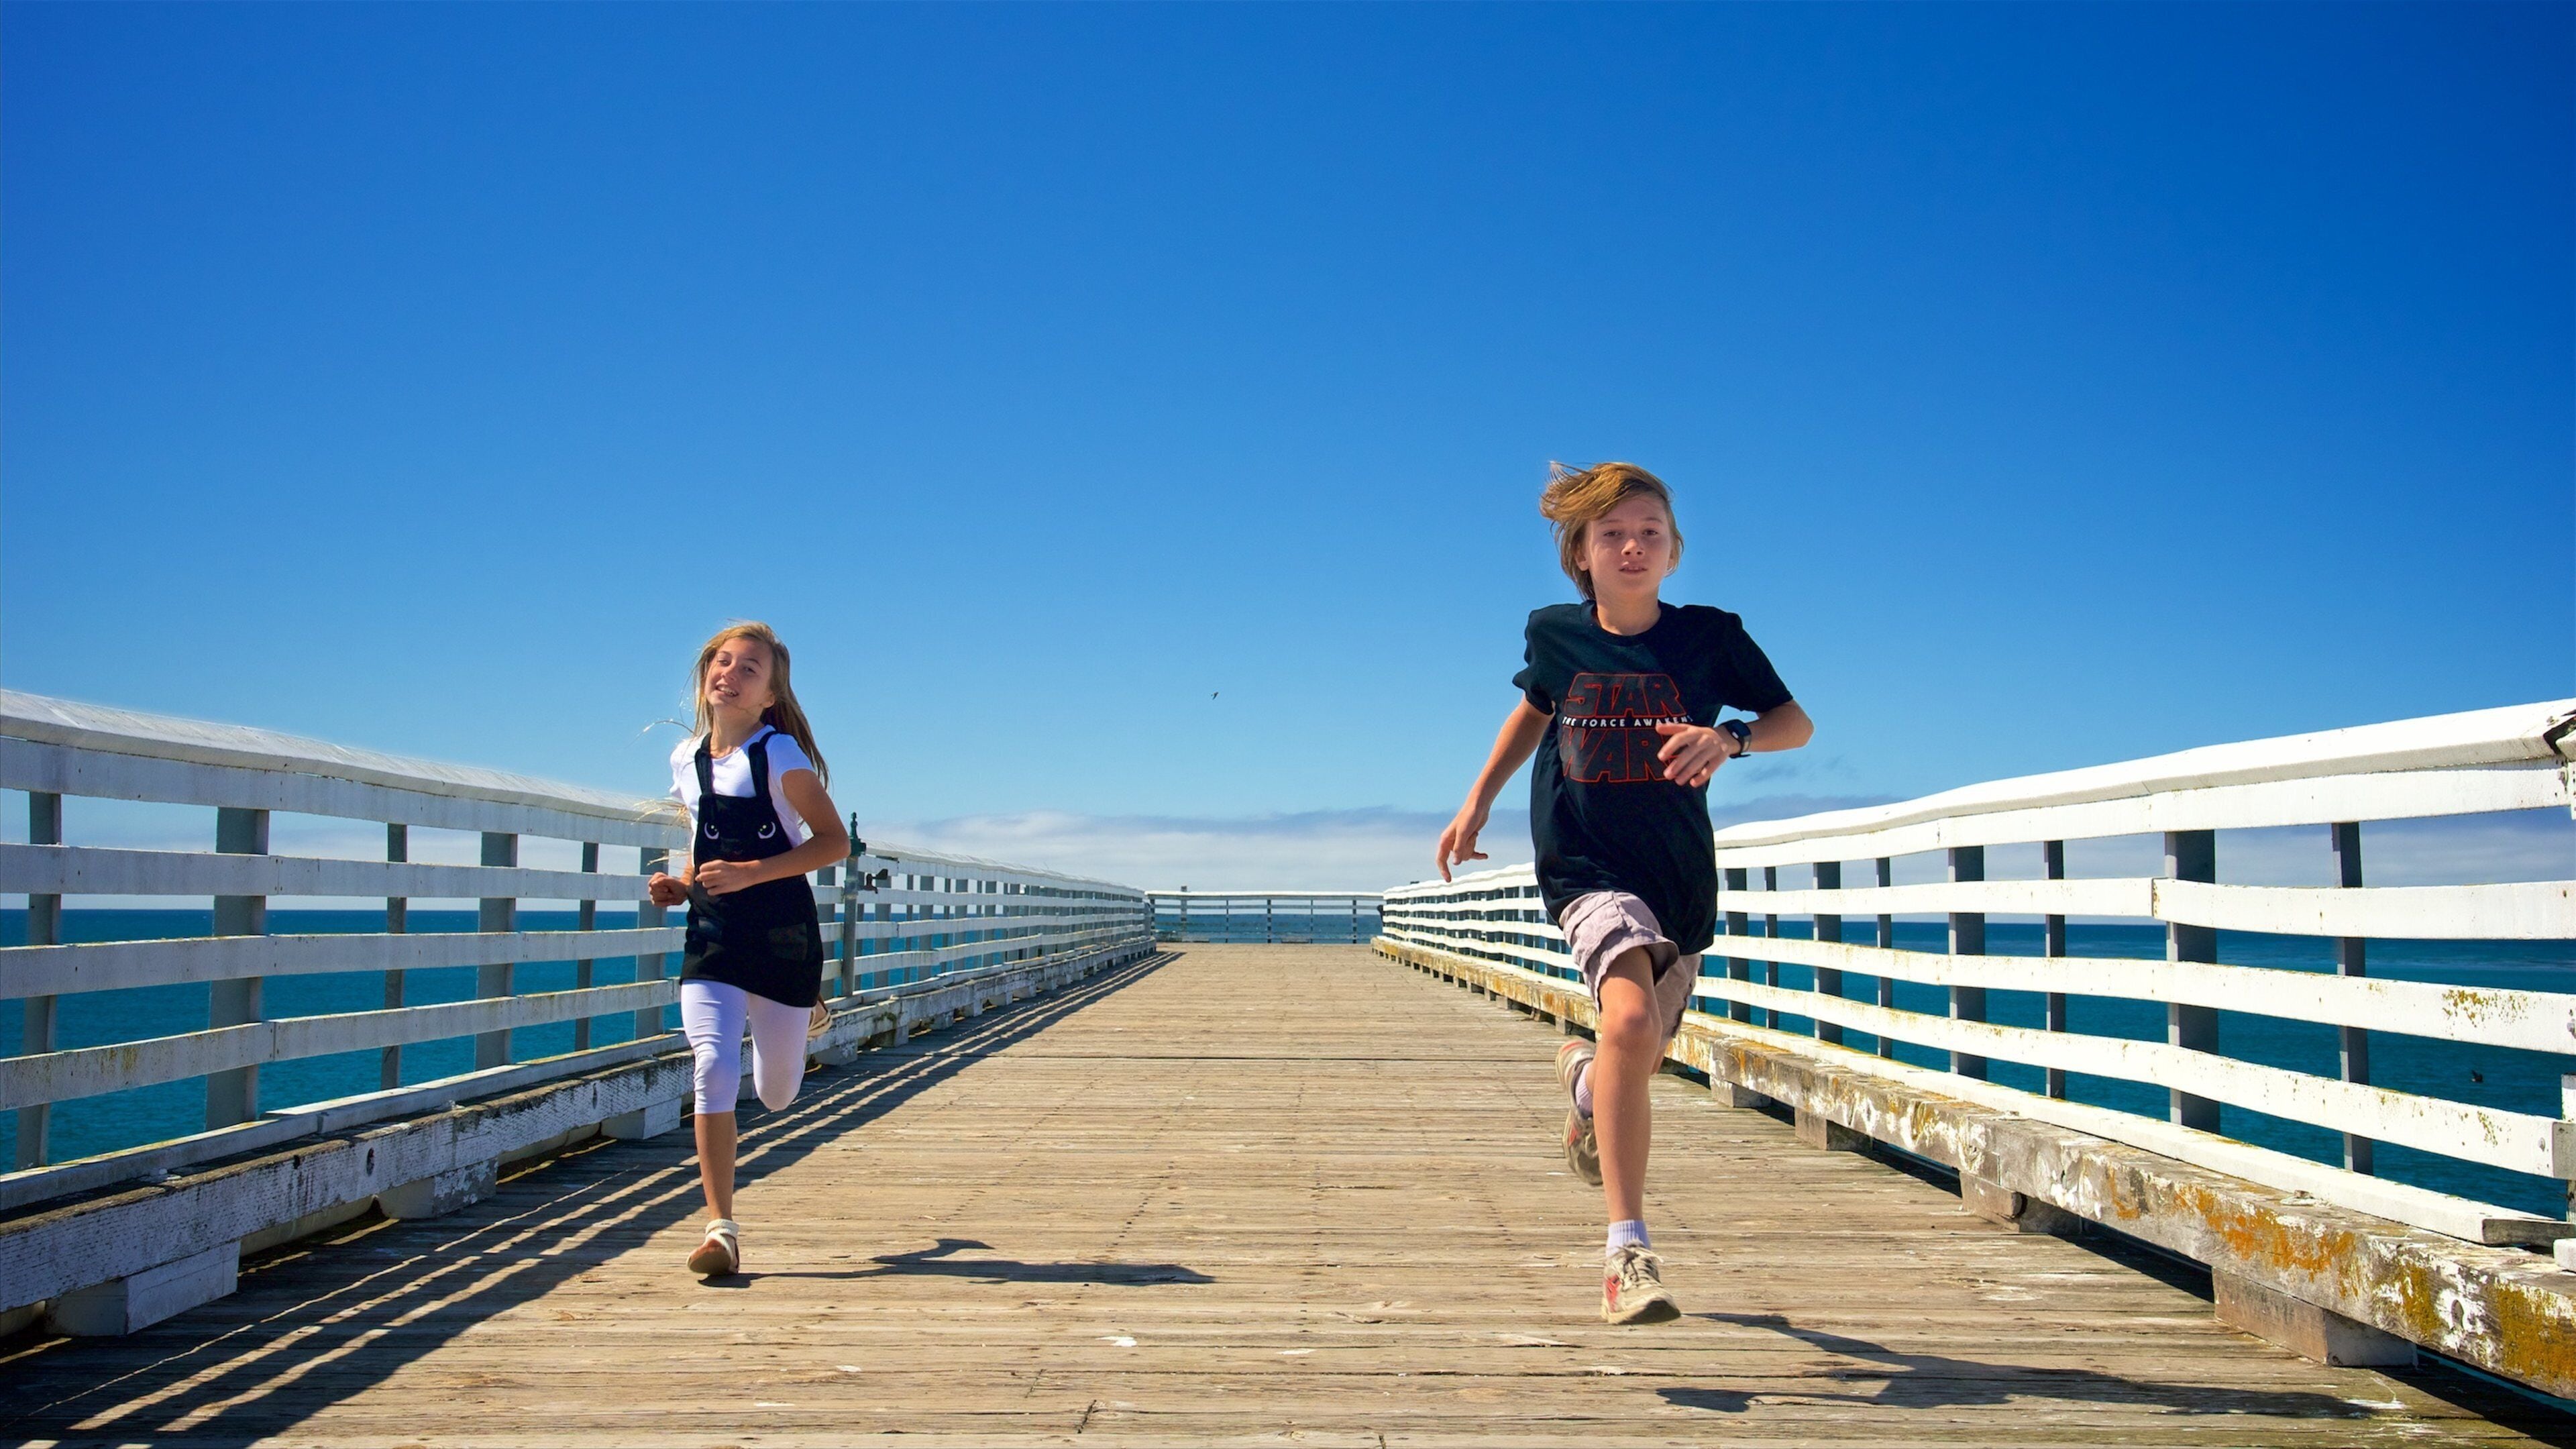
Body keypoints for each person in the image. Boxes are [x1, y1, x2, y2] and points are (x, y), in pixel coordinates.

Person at [1435, 462, 1812, 1324]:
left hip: (1676, 876)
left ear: (1675, 550)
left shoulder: (1712, 638)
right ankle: (1626, 1252)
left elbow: (1797, 723)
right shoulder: (1556, 634)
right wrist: (1478, 800)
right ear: (1582, 554)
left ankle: (1582, 1090)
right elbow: (1536, 709)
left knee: (1632, 1052)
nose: (1632, 545)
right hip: (1583, 862)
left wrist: (1731, 741)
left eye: (1649, 530)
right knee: (1630, 1023)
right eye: (1612, 534)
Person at [648, 621, 850, 1277]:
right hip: (712, 935)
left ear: (769, 696)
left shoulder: (780, 756)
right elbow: (704, 841)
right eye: (722, 661)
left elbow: (832, 844)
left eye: (749, 668)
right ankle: (721, 1228)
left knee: (778, 1093)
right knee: (712, 1063)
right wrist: (679, 884)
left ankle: (804, 1009)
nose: (728, 674)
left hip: (783, 939)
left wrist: (752, 873)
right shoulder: (687, 759)